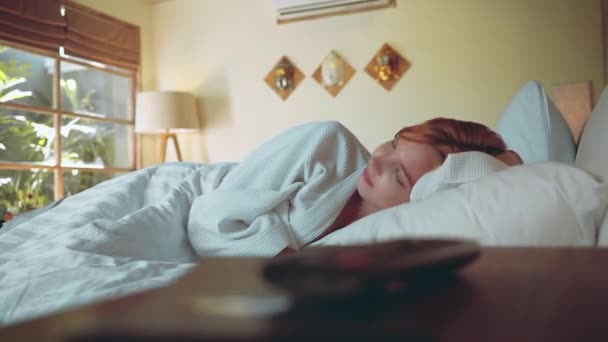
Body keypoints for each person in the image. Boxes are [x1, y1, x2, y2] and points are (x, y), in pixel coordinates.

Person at [307, 117, 522, 246]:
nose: (377, 161)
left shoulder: (386, 242)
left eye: (399, 175)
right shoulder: (327, 143)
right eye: (394, 143)